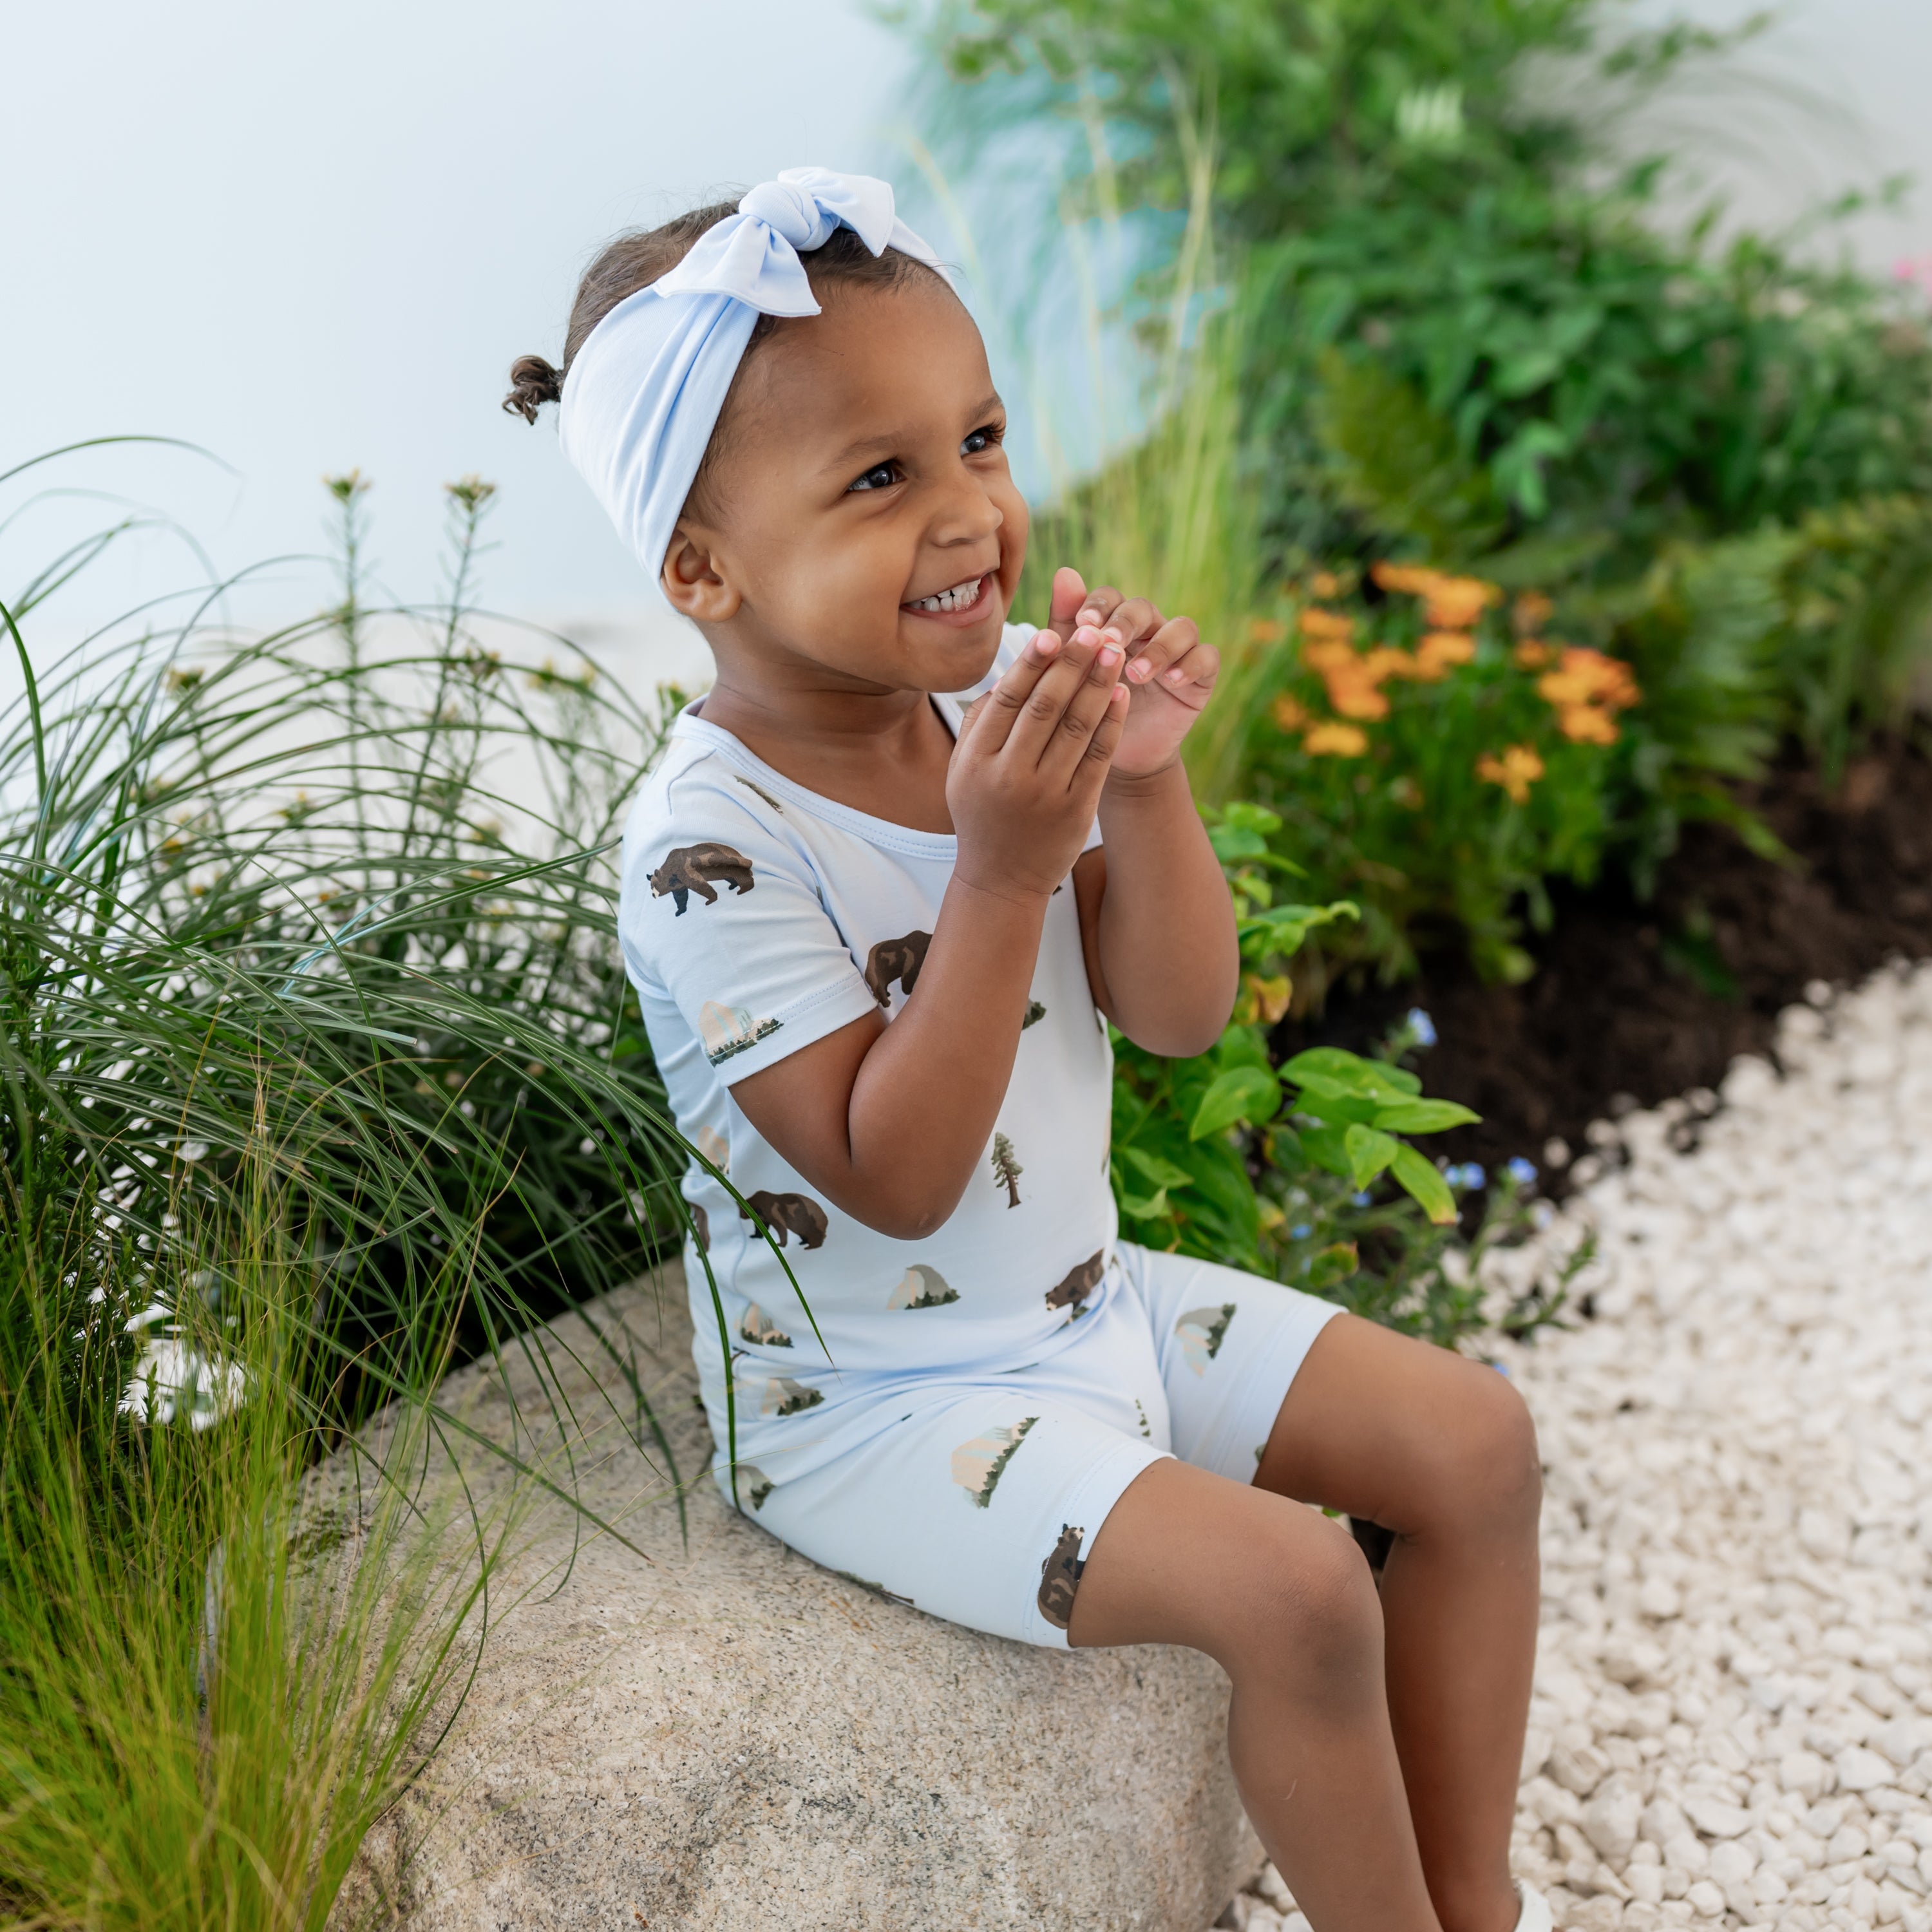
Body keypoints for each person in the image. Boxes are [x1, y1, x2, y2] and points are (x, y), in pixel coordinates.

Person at [506, 168, 1547, 1932]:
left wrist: (1145, 782)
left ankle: (1472, 1903)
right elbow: (900, 1176)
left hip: (1083, 1303)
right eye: (880, 477)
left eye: (979, 439)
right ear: (700, 567)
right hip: (878, 1409)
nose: (971, 510)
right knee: (1300, 1594)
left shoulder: (989, 714)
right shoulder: (715, 844)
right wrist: (998, 872)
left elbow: (1179, 1013)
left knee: (1474, 1445)